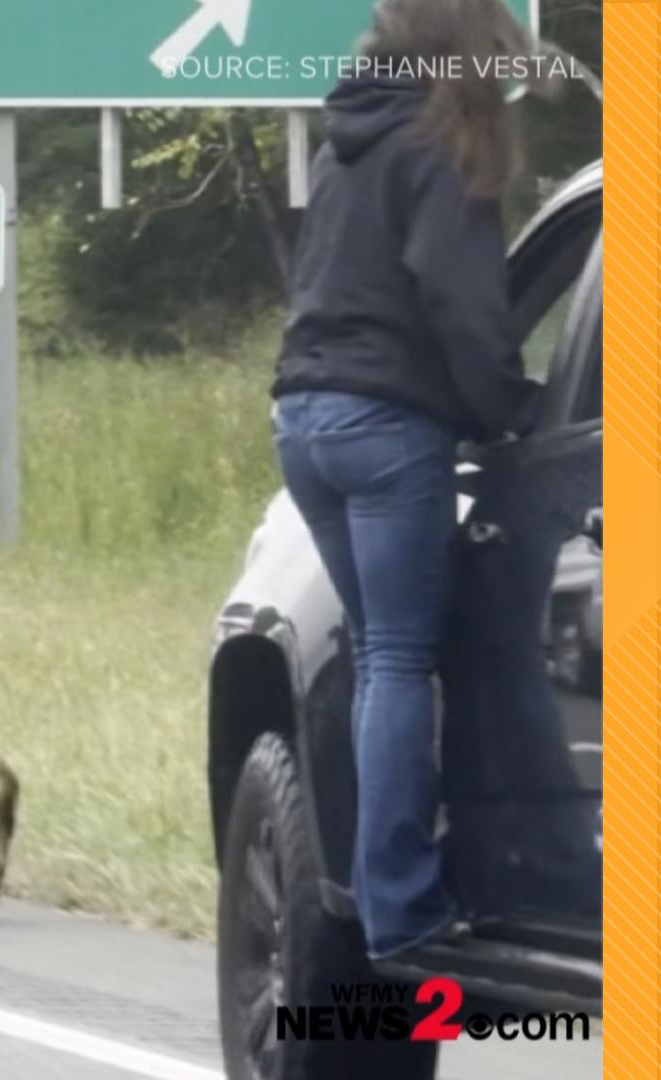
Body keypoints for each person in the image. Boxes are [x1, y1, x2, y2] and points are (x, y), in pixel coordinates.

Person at [269, 0, 543, 962]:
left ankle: (379, 885)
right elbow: (463, 302)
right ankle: (403, 910)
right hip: (385, 425)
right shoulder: (443, 144)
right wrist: (509, 407)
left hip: (303, 418)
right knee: (396, 660)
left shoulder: (348, 138)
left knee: (379, 659)